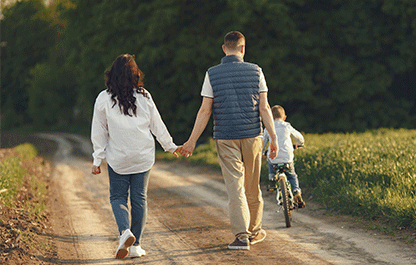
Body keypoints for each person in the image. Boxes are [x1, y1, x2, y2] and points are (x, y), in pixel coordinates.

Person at [179, 31, 278, 250]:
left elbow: (205, 110)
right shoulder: (256, 71)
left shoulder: (212, 73)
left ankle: (241, 237)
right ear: (243, 49)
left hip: (225, 137)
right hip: (253, 135)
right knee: (252, 186)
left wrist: (192, 140)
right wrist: (273, 138)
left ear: (224, 49)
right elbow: (264, 107)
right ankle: (254, 231)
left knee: (235, 187)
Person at [91, 54, 179, 260]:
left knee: (118, 197)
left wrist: (97, 159)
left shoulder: (103, 98)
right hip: (142, 156)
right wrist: (170, 146)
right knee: (139, 199)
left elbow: (99, 131)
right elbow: (157, 124)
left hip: (118, 158)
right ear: (135, 74)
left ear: (111, 75)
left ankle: (125, 232)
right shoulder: (145, 96)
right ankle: (136, 245)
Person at [262, 105, 305, 207]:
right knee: (292, 176)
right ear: (284, 117)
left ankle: (272, 180)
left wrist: (263, 152)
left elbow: (262, 143)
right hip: (287, 158)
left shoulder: (268, 128)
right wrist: (300, 144)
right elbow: (299, 137)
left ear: (270, 117)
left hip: (274, 158)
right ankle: (296, 191)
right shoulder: (287, 126)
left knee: (270, 161)